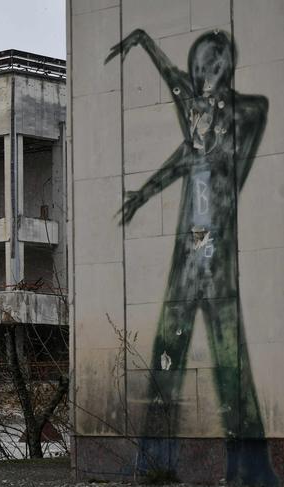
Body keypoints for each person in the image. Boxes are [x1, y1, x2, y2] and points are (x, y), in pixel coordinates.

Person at [105, 29, 278, 486]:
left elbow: (233, 126)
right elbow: (183, 130)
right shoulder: (199, 125)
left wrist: (214, 124)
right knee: (167, 360)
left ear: (225, 68)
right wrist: (143, 41)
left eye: (210, 66)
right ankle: (156, 466)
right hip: (187, 259)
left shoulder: (245, 113)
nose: (200, 74)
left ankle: (251, 469)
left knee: (230, 364)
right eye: (198, 66)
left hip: (217, 260)